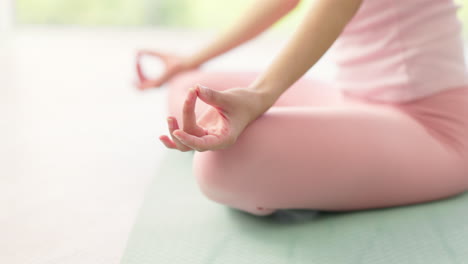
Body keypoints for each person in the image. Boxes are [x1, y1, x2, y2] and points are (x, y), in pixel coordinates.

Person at [135, 0, 468, 216]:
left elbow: (336, 7)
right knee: (189, 91)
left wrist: (259, 96)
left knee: (222, 162)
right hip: (349, 100)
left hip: (432, 125)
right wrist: (192, 60)